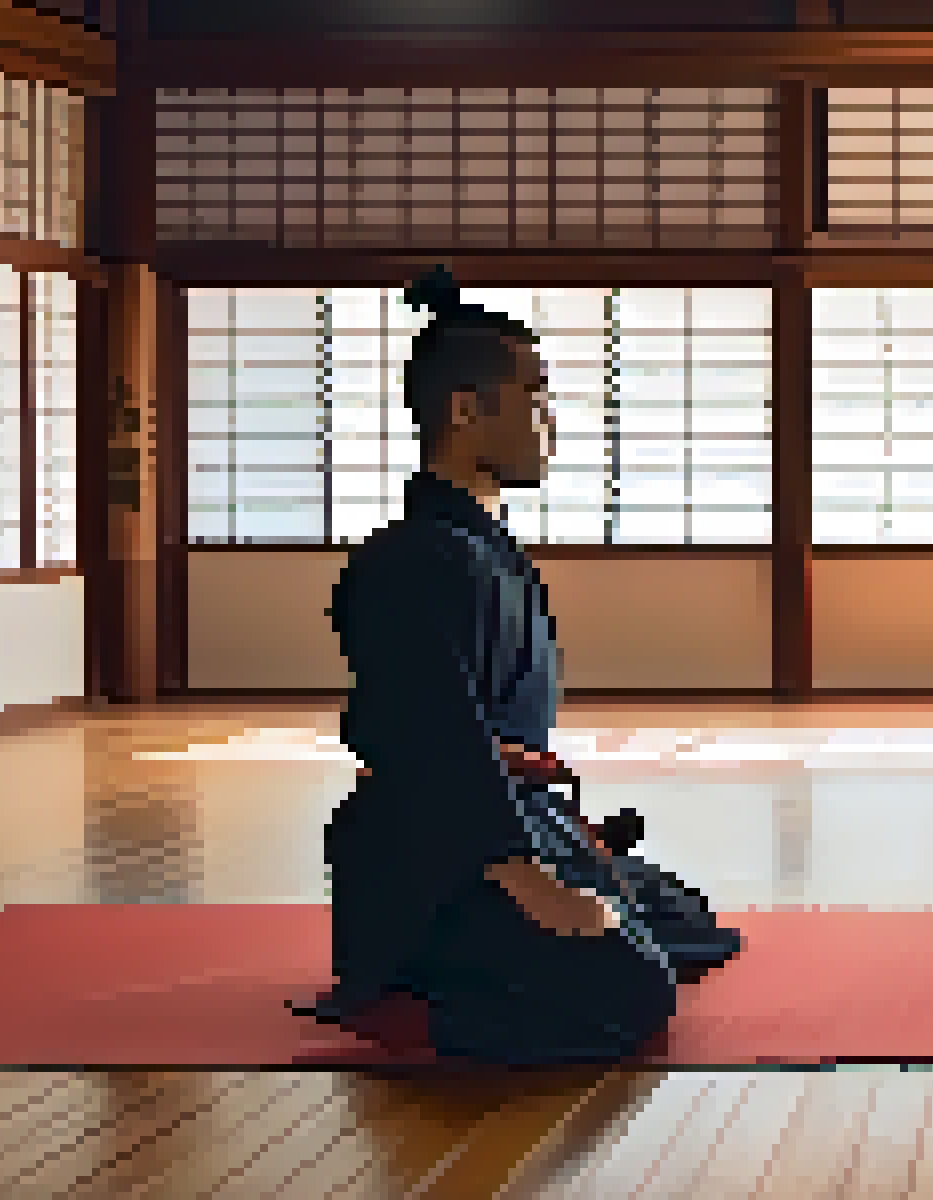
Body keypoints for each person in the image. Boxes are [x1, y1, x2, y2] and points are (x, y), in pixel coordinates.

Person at [293, 268, 740, 1064]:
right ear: (467, 410)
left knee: (690, 923)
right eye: (536, 398)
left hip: (519, 809)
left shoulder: (476, 544)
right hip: (433, 845)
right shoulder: (412, 561)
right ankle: (426, 978)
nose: (552, 423)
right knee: (632, 991)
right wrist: (527, 878)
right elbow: (432, 742)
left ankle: (504, 942)